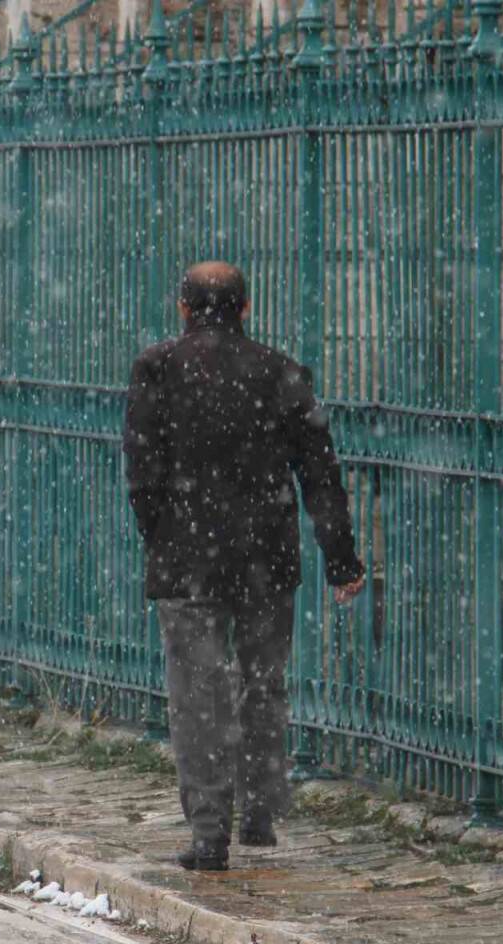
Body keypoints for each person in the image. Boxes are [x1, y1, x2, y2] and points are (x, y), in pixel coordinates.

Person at [122, 262, 365, 871]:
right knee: (263, 683)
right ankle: (259, 809)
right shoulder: (281, 372)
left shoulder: (157, 368)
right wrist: (341, 559)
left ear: (182, 308)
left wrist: (163, 535)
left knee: (196, 694)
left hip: (187, 558)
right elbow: (319, 473)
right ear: (246, 308)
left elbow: (142, 473)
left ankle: (209, 834)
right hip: (266, 554)